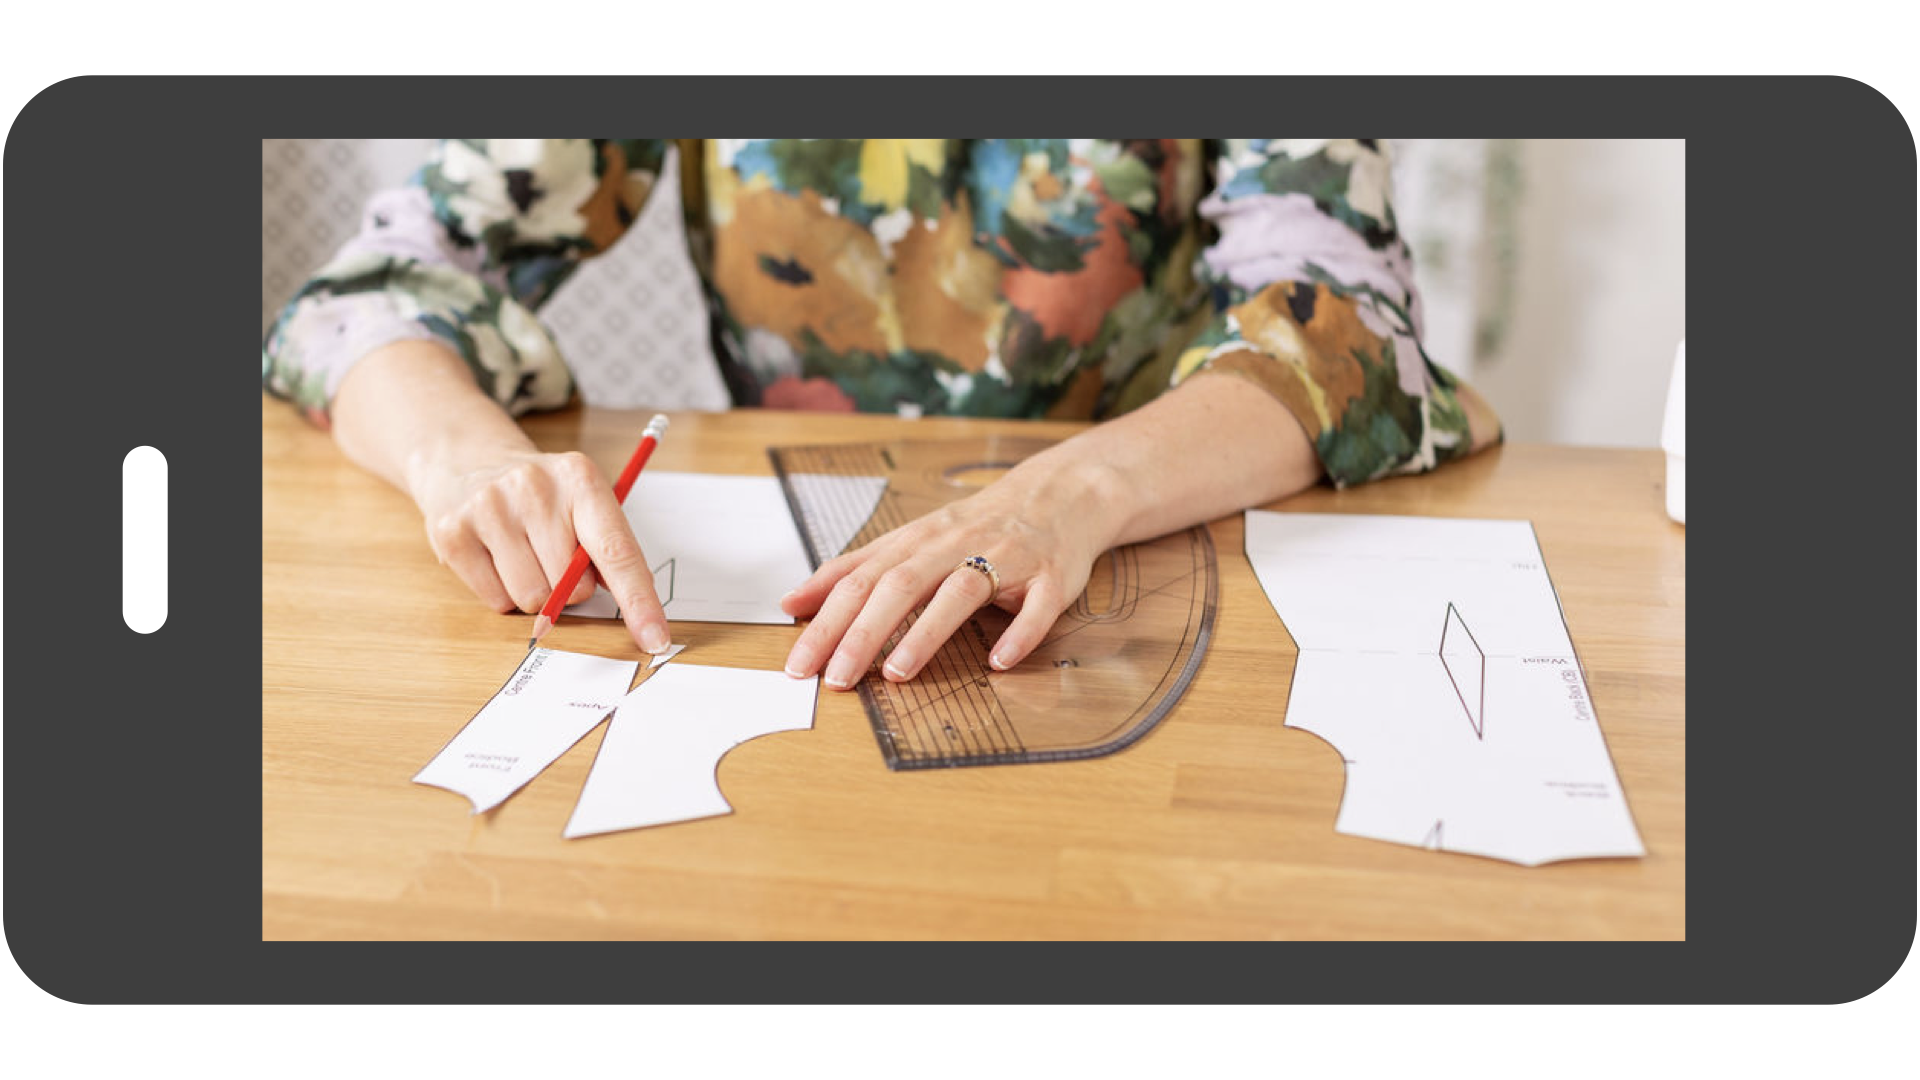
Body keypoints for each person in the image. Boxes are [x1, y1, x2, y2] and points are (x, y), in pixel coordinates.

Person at [263, 139, 1502, 691]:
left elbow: (1348, 329)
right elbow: (363, 300)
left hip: (1153, 565)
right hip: (802, 607)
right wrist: (465, 459)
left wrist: (1063, 497)